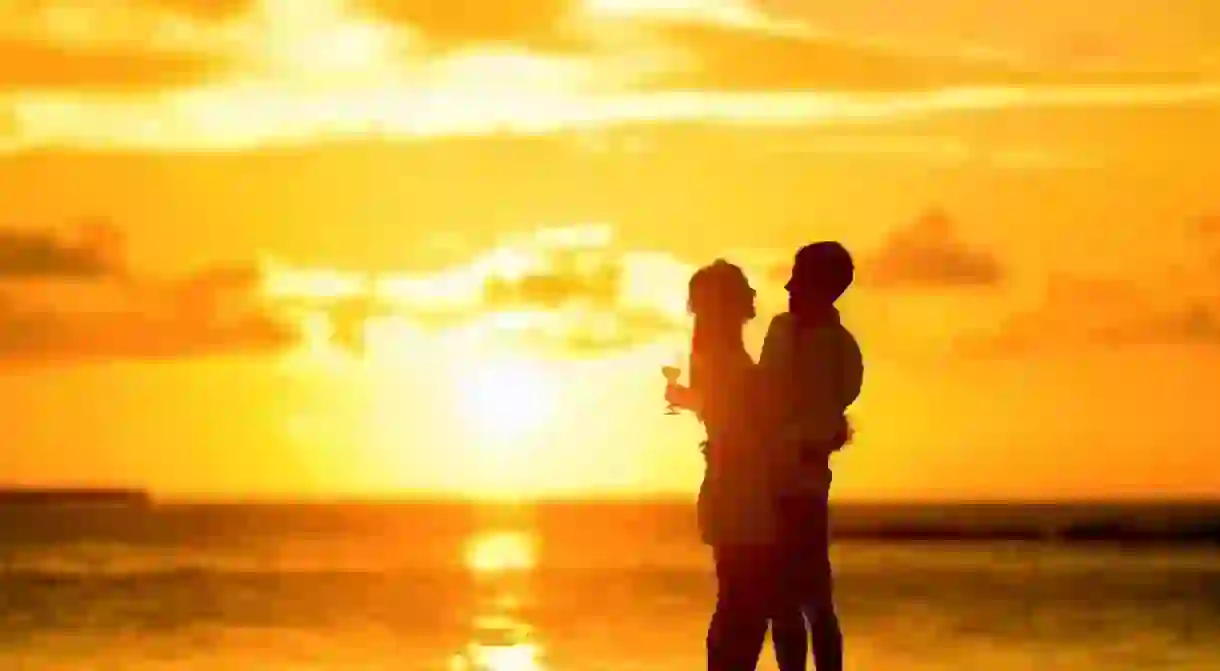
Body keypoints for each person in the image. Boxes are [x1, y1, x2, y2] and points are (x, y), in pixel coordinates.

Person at [663, 259, 810, 671]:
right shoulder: (722, 356)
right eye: (743, 287)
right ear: (725, 302)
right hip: (738, 492)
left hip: (735, 488)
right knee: (744, 608)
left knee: (741, 605)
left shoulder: (717, 353)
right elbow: (735, 419)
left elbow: (720, 412)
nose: (752, 294)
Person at [758, 242, 863, 671]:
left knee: (813, 600)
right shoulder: (783, 330)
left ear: (822, 286)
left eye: (798, 276)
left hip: (803, 485)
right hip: (773, 481)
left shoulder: (839, 347)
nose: (788, 285)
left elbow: (834, 405)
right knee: (785, 601)